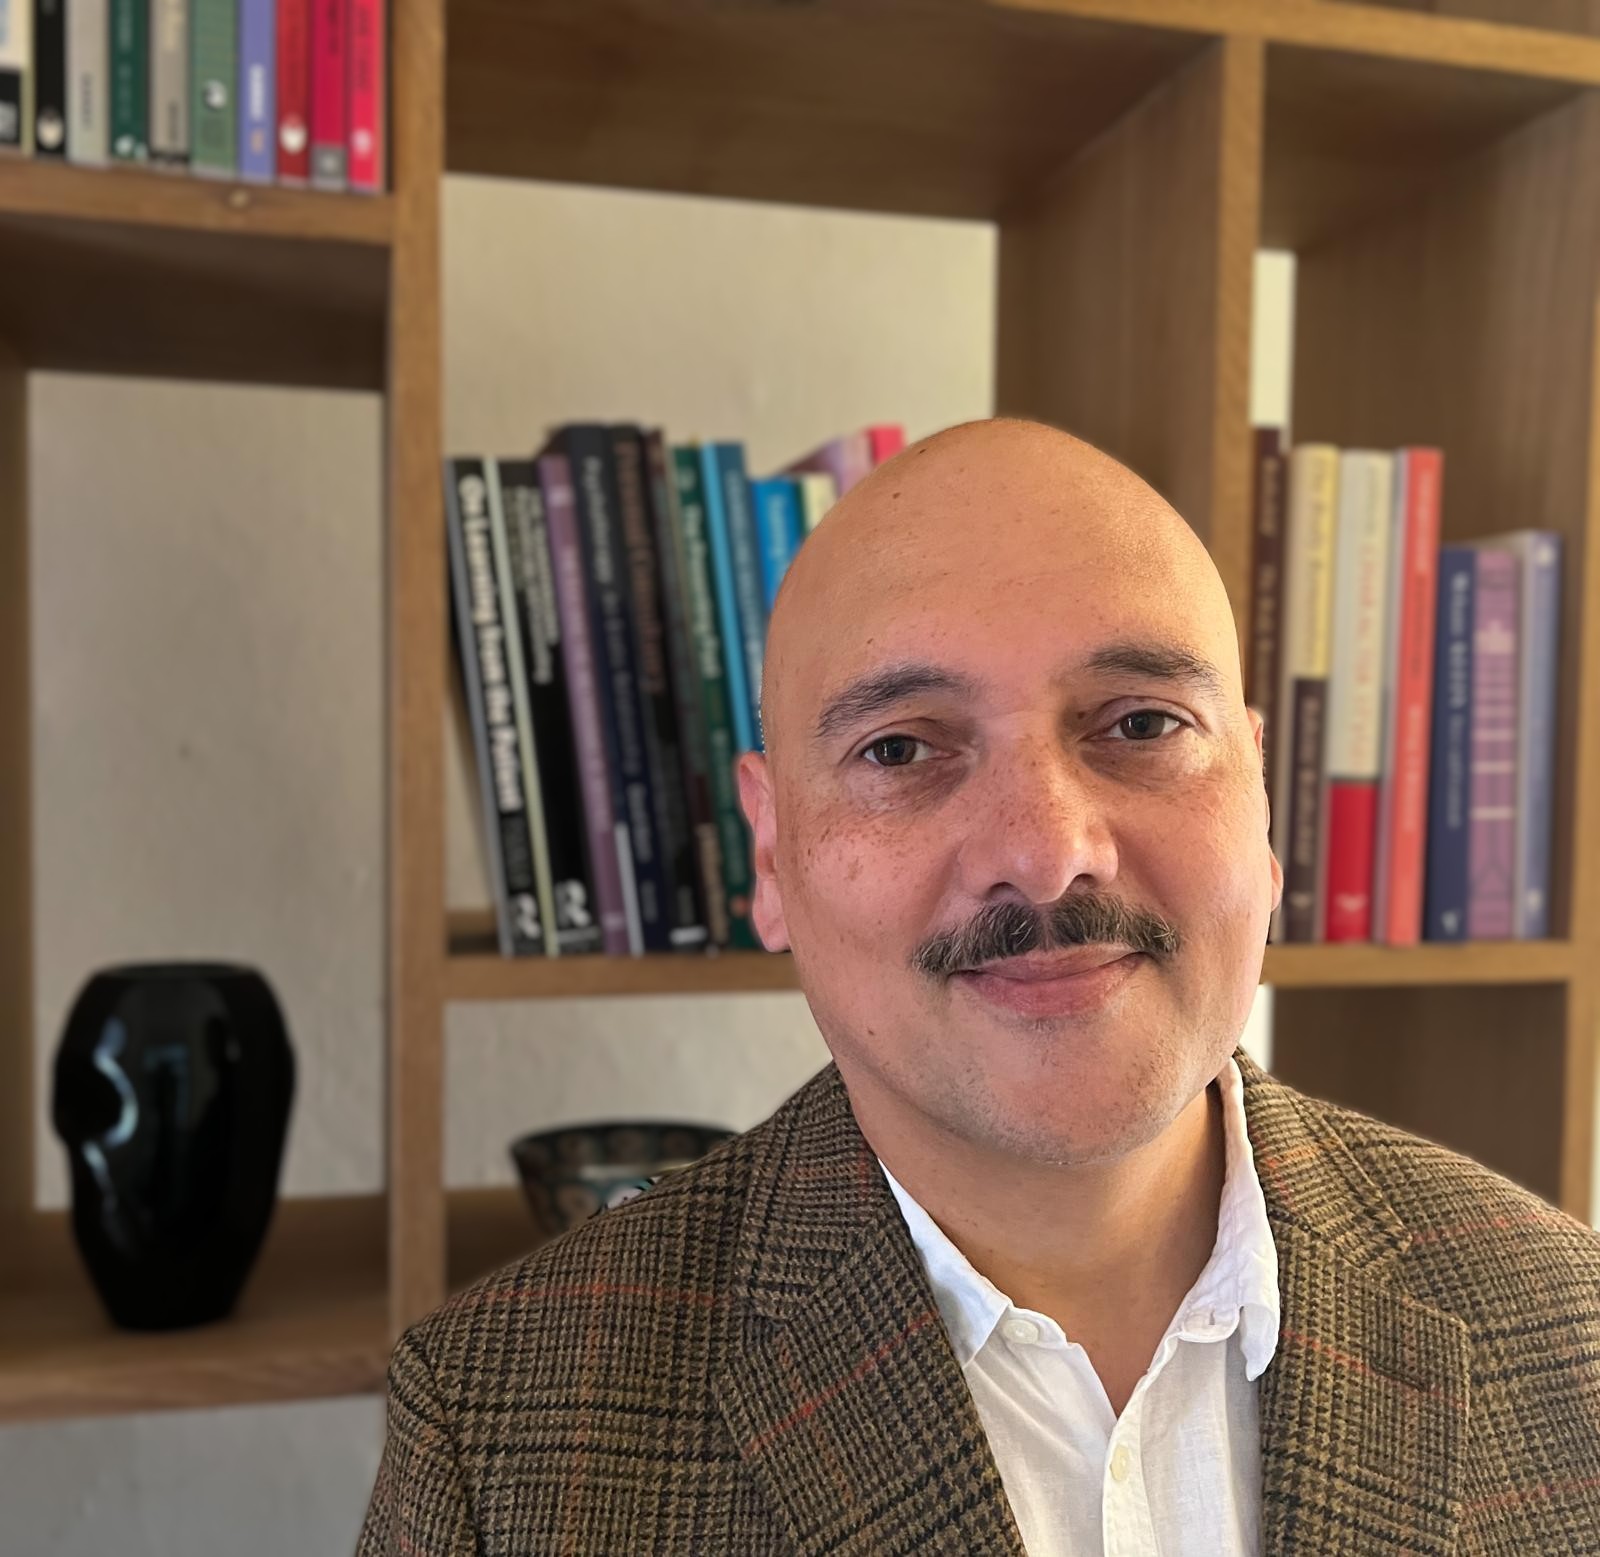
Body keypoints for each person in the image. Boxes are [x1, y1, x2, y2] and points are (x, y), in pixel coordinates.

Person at [357, 418, 1600, 1557]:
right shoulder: (499, 1447)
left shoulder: (1573, 1332)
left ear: (1259, 803)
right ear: (772, 856)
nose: (1045, 851)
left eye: (1140, 725)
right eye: (900, 748)